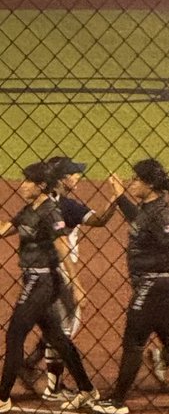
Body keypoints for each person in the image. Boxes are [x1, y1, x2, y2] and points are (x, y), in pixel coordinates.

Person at [90, 159, 169, 414]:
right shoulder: (149, 209)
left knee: (134, 339)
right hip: (154, 286)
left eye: (136, 179)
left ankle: (117, 401)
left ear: (149, 184)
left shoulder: (162, 214)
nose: (132, 183)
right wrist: (119, 198)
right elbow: (139, 221)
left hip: (154, 285)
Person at [22, 156, 121, 401]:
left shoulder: (39, 204)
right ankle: (53, 388)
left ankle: (36, 367)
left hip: (37, 271)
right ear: (63, 179)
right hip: (63, 274)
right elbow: (100, 221)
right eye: (74, 173)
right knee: (65, 329)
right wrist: (115, 198)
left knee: (55, 327)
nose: (78, 177)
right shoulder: (66, 207)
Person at [0, 162, 97, 414]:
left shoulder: (50, 211)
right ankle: (87, 389)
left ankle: (2, 397)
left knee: (14, 336)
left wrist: (77, 286)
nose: (23, 185)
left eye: (28, 181)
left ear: (41, 185)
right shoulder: (28, 210)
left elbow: (63, 247)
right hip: (33, 280)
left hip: (43, 282)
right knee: (57, 338)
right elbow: (3, 230)